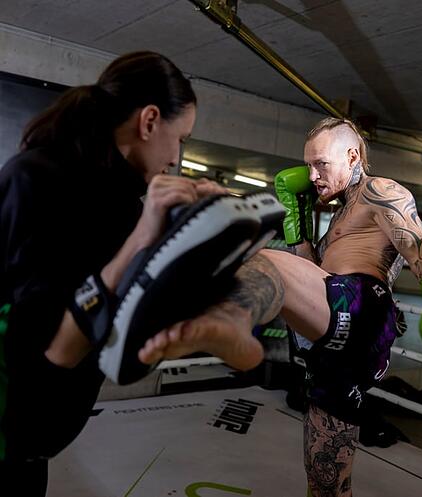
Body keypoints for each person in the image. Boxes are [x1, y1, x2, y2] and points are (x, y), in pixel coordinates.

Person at [140, 117, 422, 496]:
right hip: (331, 328)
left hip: (362, 307)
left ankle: (209, 316)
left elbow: (417, 243)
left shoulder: (380, 190)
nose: (312, 176)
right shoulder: (340, 213)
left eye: (321, 164)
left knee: (263, 258)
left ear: (352, 156)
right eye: (308, 165)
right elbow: (312, 274)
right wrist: (299, 228)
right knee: (324, 467)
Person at [0, 50, 258, 496]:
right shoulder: (37, 178)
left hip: (39, 440)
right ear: (150, 121)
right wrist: (142, 240)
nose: (176, 157)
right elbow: (48, 349)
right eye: (181, 139)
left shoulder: (124, 205)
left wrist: (199, 239)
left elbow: (119, 336)